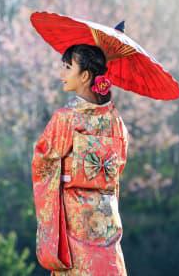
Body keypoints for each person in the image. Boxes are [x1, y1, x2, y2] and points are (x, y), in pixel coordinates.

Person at [31, 44, 129, 275]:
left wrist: (67, 173)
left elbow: (42, 162)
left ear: (85, 76)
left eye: (67, 67)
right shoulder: (116, 121)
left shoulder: (66, 119)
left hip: (75, 216)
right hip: (105, 217)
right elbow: (118, 166)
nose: (61, 74)